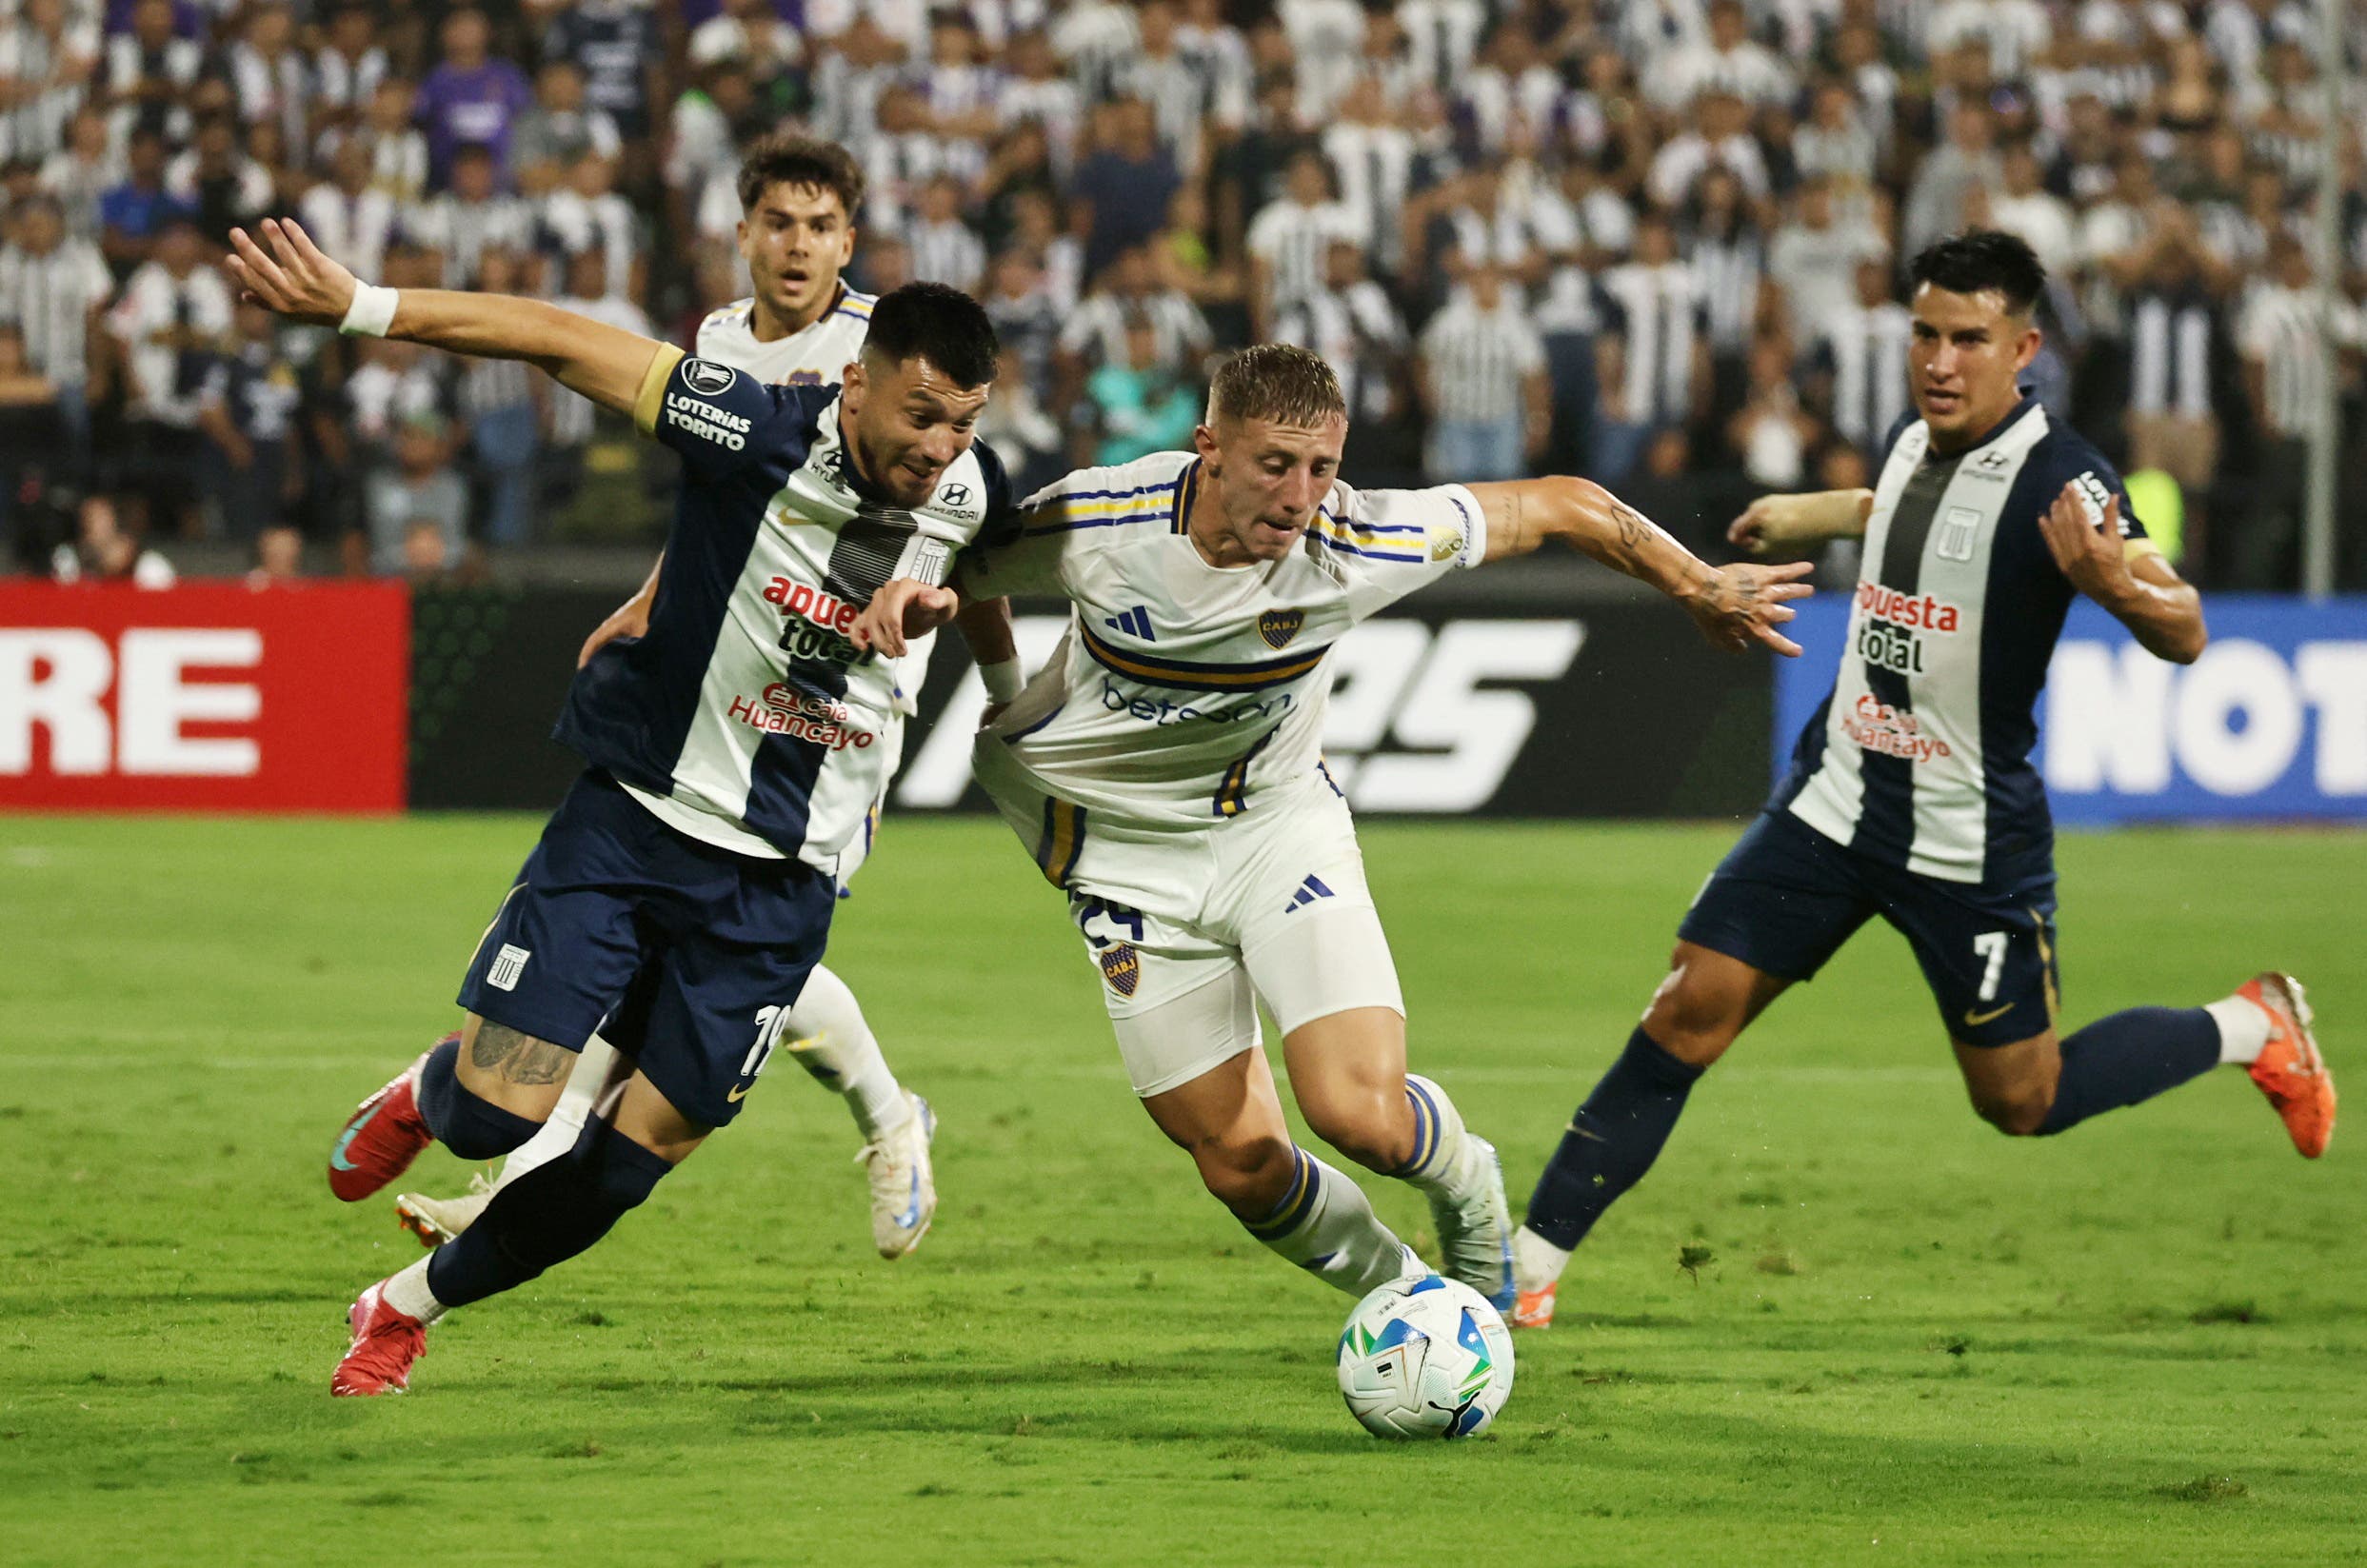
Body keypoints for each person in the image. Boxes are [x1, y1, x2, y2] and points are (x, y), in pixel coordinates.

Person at [850, 344, 1811, 1312]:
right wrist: (1003, 685)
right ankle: (1410, 1299)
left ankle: (1465, 1185)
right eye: (1273, 463)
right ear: (1208, 449)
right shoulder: (1104, 517)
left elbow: (1559, 500)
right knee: (1236, 1162)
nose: (1300, 493)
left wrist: (1694, 583)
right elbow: (962, 551)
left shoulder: (1358, 538)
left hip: (1274, 831)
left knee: (1358, 1116)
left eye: (1321, 466)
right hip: (1124, 862)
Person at [227, 217, 1010, 1397]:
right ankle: (429, 1090)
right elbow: (553, 337)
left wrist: (976, 662)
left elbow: (985, 570)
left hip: (782, 883)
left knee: (626, 1165)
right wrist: (362, 306)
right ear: (855, 385)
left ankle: (399, 1311)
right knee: (495, 1118)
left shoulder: (970, 489)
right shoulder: (746, 425)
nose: (940, 447)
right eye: (920, 417)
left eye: (963, 421)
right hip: (640, 818)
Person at [1509, 231, 2337, 1330]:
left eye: (1967, 340)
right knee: (1686, 1008)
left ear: (2022, 349)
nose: (1939, 361)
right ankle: (1522, 1268)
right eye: (1925, 336)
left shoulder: (2066, 480)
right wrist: (1808, 510)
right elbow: (1901, 506)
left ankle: (2248, 1026)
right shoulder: (1912, 436)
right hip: (1835, 798)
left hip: (1963, 838)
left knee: (2020, 1102)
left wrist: (2120, 591)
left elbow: (2181, 625)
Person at [393, 136, 945, 1266]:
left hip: (834, 707)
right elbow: (731, 503)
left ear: (850, 241)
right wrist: (653, 595)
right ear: (740, 232)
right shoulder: (721, 342)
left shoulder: (881, 353)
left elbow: (944, 507)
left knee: (758, 935)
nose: (796, 247)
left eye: (819, 226)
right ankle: (522, 1166)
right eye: (777, 223)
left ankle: (892, 1120)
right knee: (669, 942)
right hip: (720, 689)